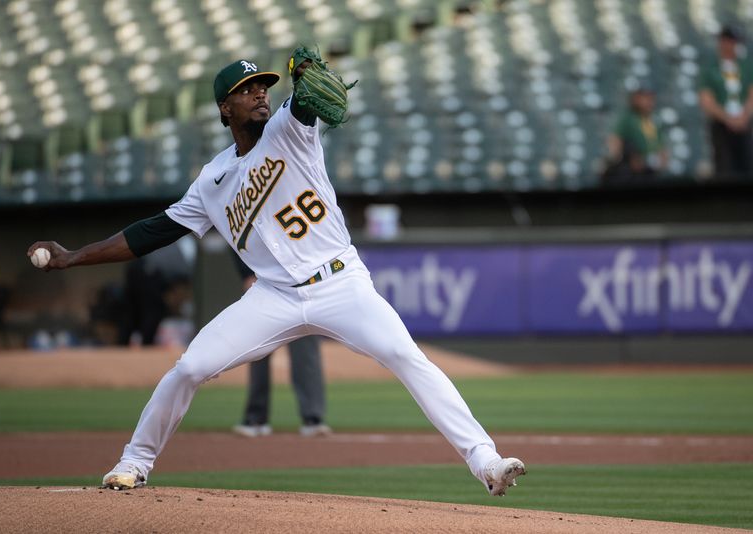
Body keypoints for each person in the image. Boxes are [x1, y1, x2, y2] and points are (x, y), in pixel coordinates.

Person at [27, 48, 525, 498]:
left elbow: (306, 103)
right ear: (225, 108)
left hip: (340, 283)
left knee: (403, 354)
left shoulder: (290, 127)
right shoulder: (212, 180)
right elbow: (150, 232)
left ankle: (486, 461)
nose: (259, 94)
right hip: (274, 297)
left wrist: (305, 76)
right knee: (190, 368)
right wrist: (73, 256)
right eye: (246, 90)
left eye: (263, 85)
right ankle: (134, 461)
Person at [230, 254, 330, 438]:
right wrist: (246, 274)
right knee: (258, 350)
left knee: (306, 352)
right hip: (264, 282)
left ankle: (312, 417)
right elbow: (236, 232)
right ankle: (256, 417)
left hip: (302, 281)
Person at [699, 25, 753, 179]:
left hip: (745, 123)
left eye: (733, 42)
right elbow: (706, 100)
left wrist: (744, 117)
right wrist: (728, 119)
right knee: (724, 168)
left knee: (747, 165)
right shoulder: (710, 68)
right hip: (721, 125)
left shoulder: (746, 66)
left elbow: (751, 94)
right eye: (727, 41)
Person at [604, 87, 667, 183]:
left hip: (650, 169)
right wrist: (622, 158)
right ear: (636, 99)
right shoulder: (628, 118)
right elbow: (615, 140)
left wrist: (661, 160)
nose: (650, 102)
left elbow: (661, 146)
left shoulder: (654, 120)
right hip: (630, 172)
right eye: (646, 98)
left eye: (651, 99)